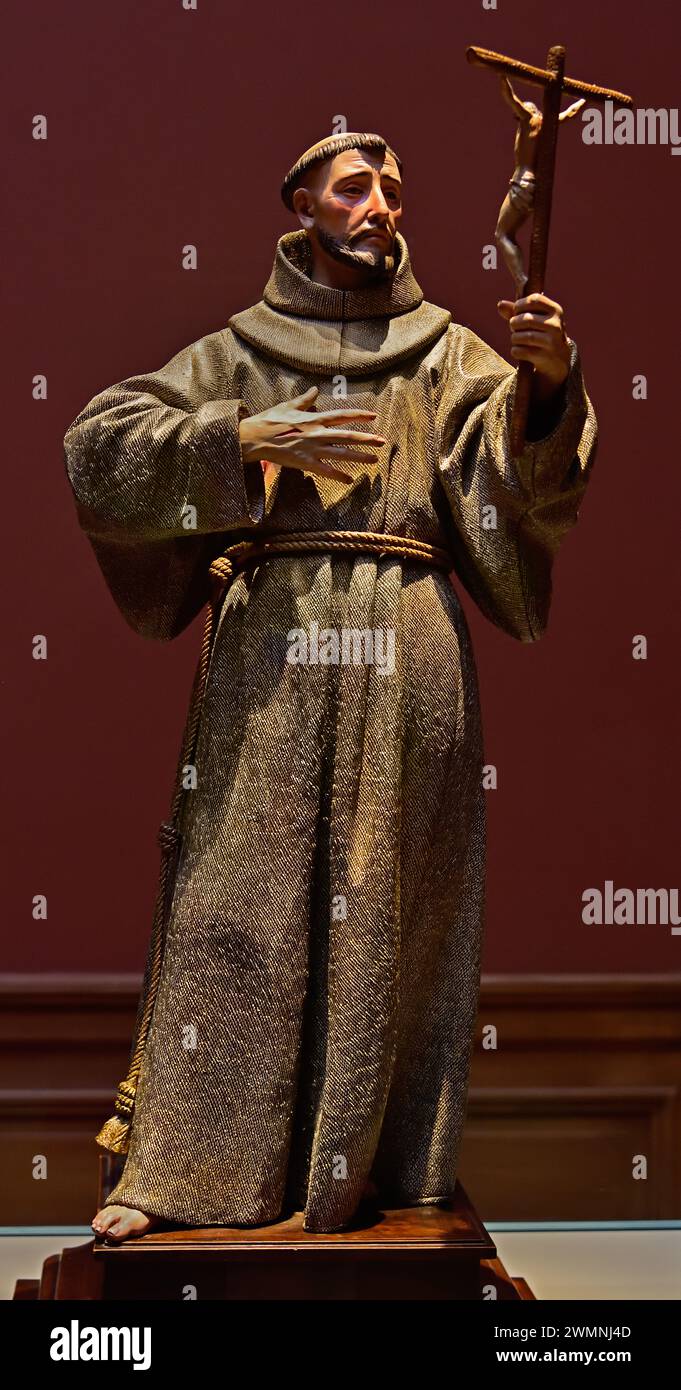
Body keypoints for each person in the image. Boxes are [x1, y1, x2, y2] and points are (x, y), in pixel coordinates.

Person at [63, 131, 597, 1241]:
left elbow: (514, 482)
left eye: (394, 187)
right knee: (234, 906)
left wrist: (544, 387)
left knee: (387, 908)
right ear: (301, 202)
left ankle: (363, 1175)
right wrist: (245, 440)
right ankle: (195, 1177)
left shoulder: (445, 353)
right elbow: (99, 448)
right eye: (354, 185)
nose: (380, 203)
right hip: (272, 650)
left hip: (408, 650)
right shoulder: (237, 353)